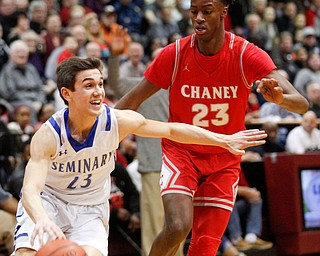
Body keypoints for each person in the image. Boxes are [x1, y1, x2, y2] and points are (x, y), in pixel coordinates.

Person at [12, 56, 268, 256]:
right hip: (50, 203)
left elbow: (171, 129)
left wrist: (223, 139)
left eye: (100, 84)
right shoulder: (48, 135)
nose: (98, 92)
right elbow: (31, 190)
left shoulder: (117, 121)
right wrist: (43, 220)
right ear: (67, 94)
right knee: (26, 252)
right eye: (88, 86)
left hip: (90, 208)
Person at [114, 0, 309, 255]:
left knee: (205, 246)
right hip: (182, 152)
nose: (199, 18)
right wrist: (102, 132)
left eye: (207, 12)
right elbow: (132, 99)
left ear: (223, 13)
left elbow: (302, 104)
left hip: (224, 158)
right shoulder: (174, 54)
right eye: (194, 12)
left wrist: (279, 98)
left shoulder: (244, 53)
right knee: (178, 226)